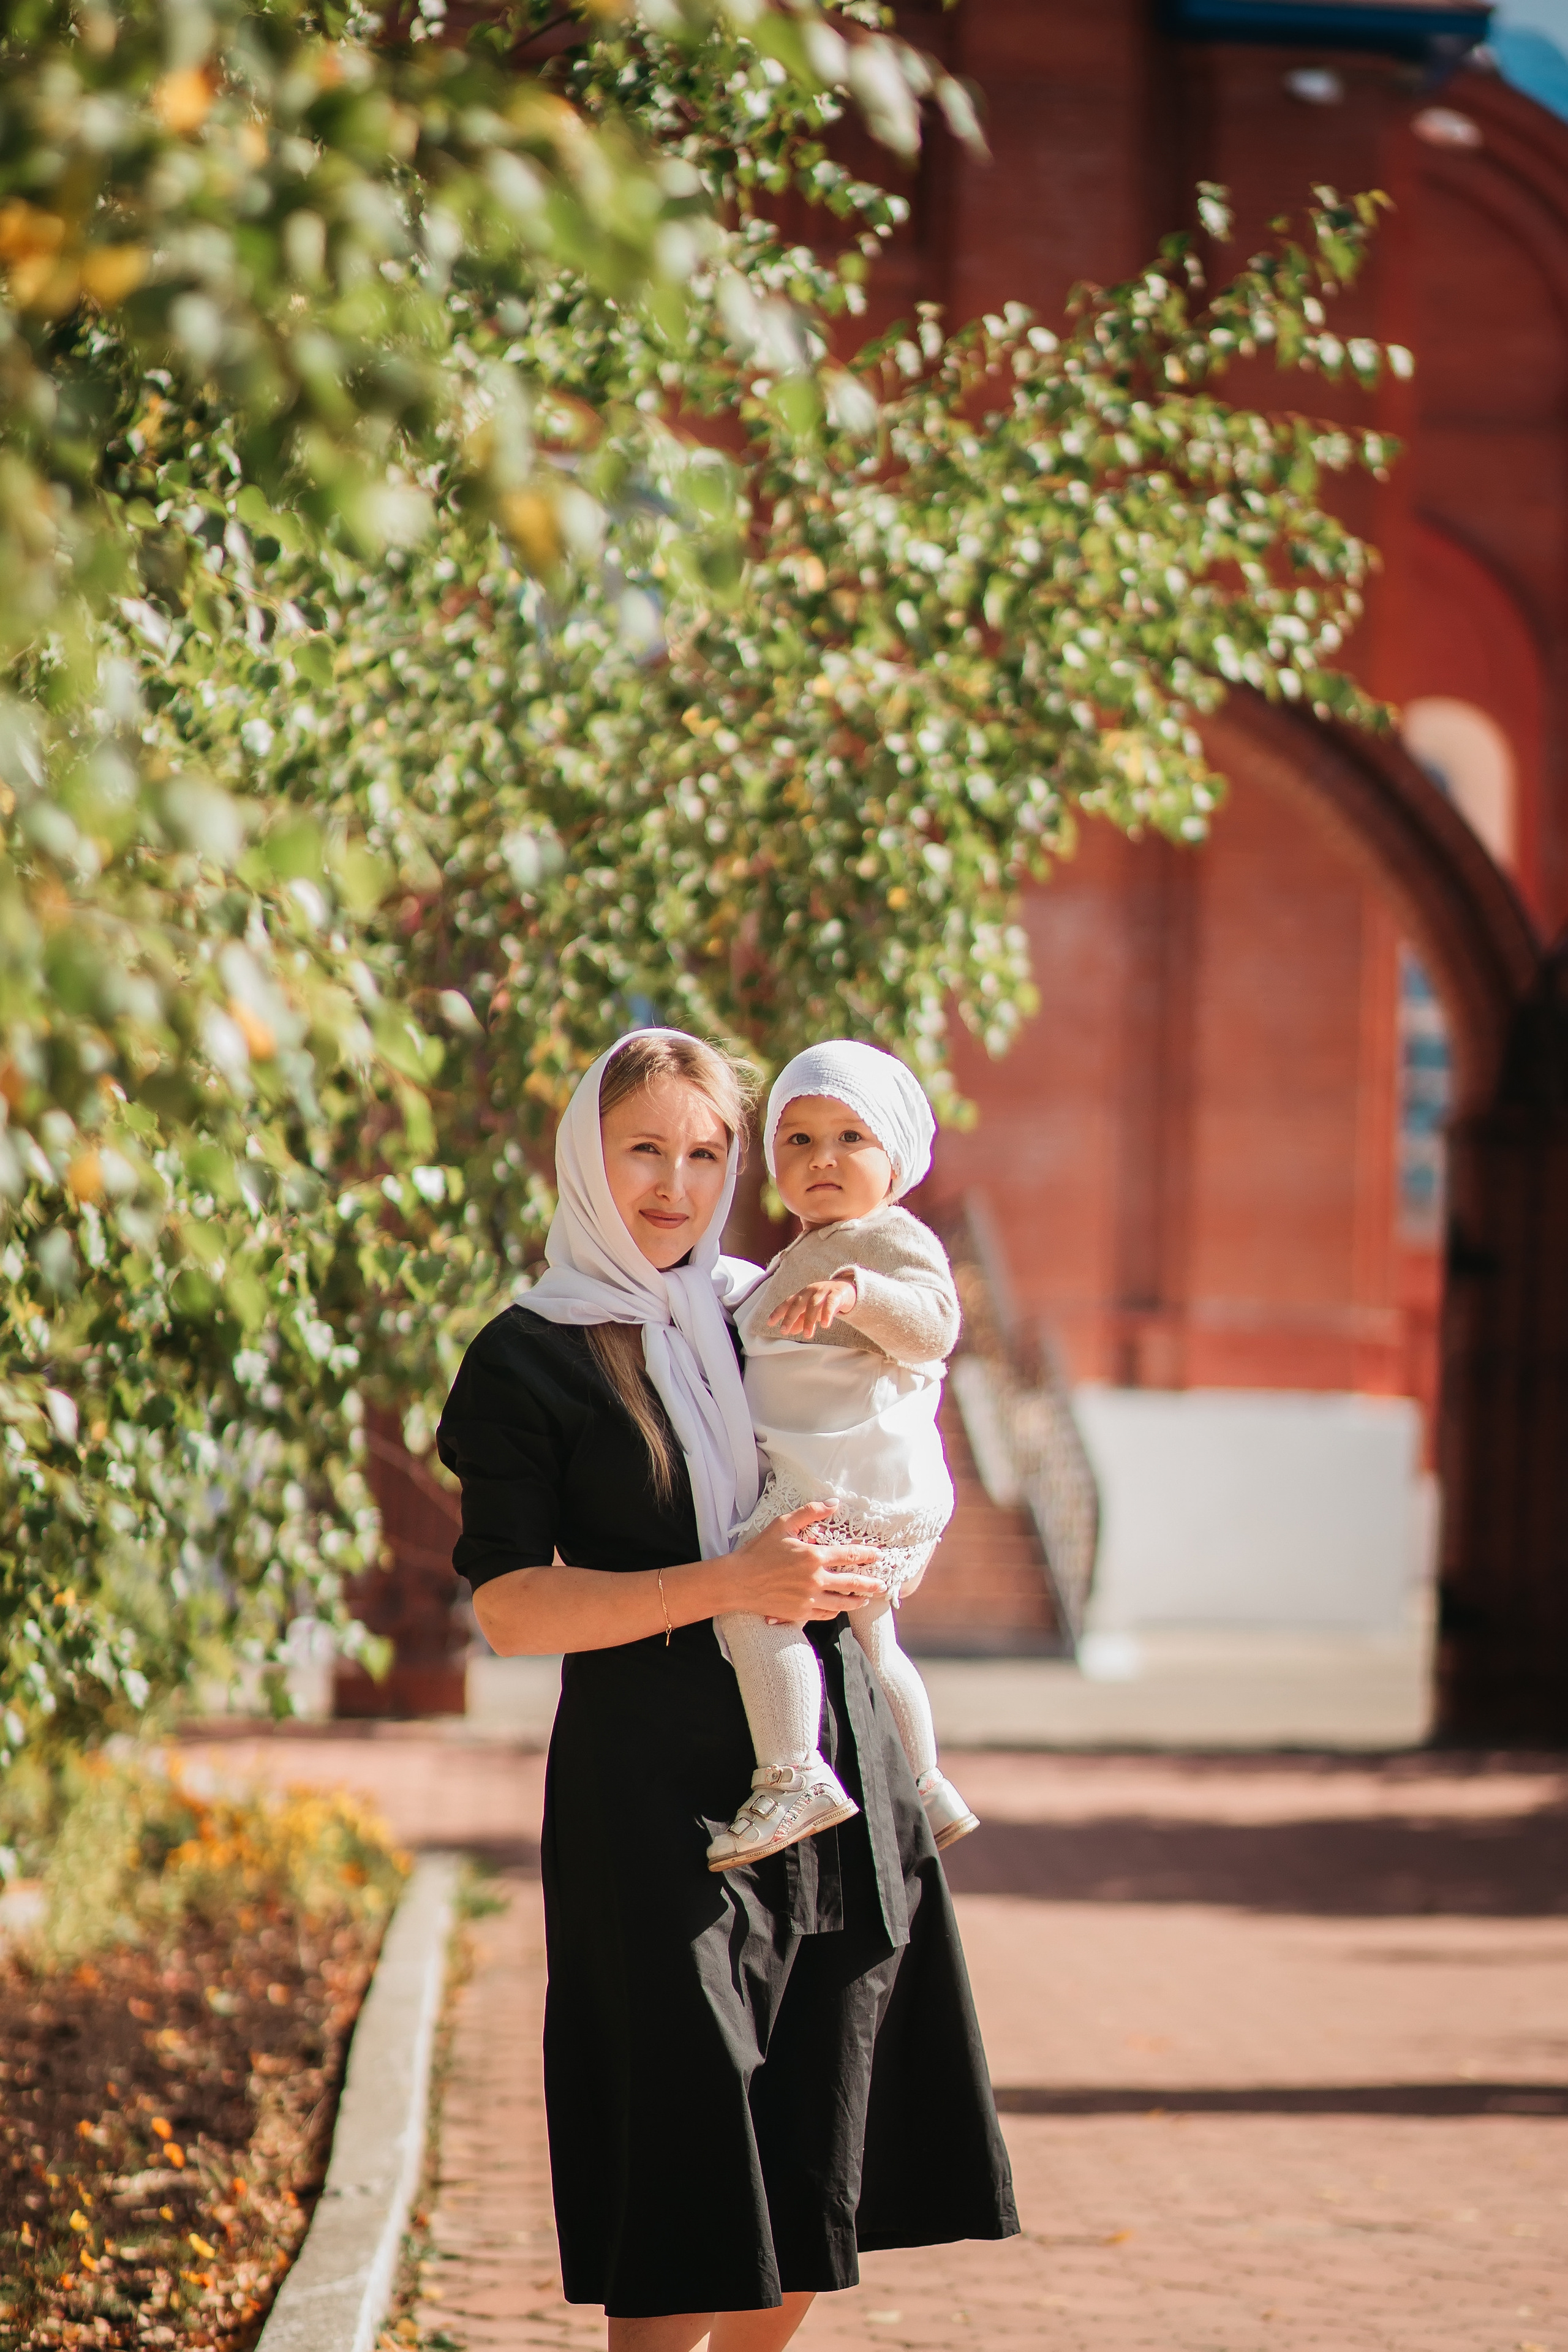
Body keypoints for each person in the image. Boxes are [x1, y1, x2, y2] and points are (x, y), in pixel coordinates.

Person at [435, 1027, 1018, 2352]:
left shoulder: (773, 1301)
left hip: (836, 1761)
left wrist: (883, 1541)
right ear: (586, 1155)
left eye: (707, 1154)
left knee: (823, 2146)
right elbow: (512, 1606)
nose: (675, 1186)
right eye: (643, 1150)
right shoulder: (530, 1355)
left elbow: (907, 1391)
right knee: (681, 2142)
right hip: (652, 1788)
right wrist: (724, 1584)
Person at [707, 1041, 979, 1872]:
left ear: (895, 1157)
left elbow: (937, 1326)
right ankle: (928, 1788)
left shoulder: (888, 1239)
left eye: (850, 1139)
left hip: (835, 1487)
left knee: (753, 1598)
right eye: (799, 1140)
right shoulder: (805, 1252)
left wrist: (862, 1292)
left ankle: (792, 1772)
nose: (823, 1158)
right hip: (846, 1484)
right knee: (874, 1640)